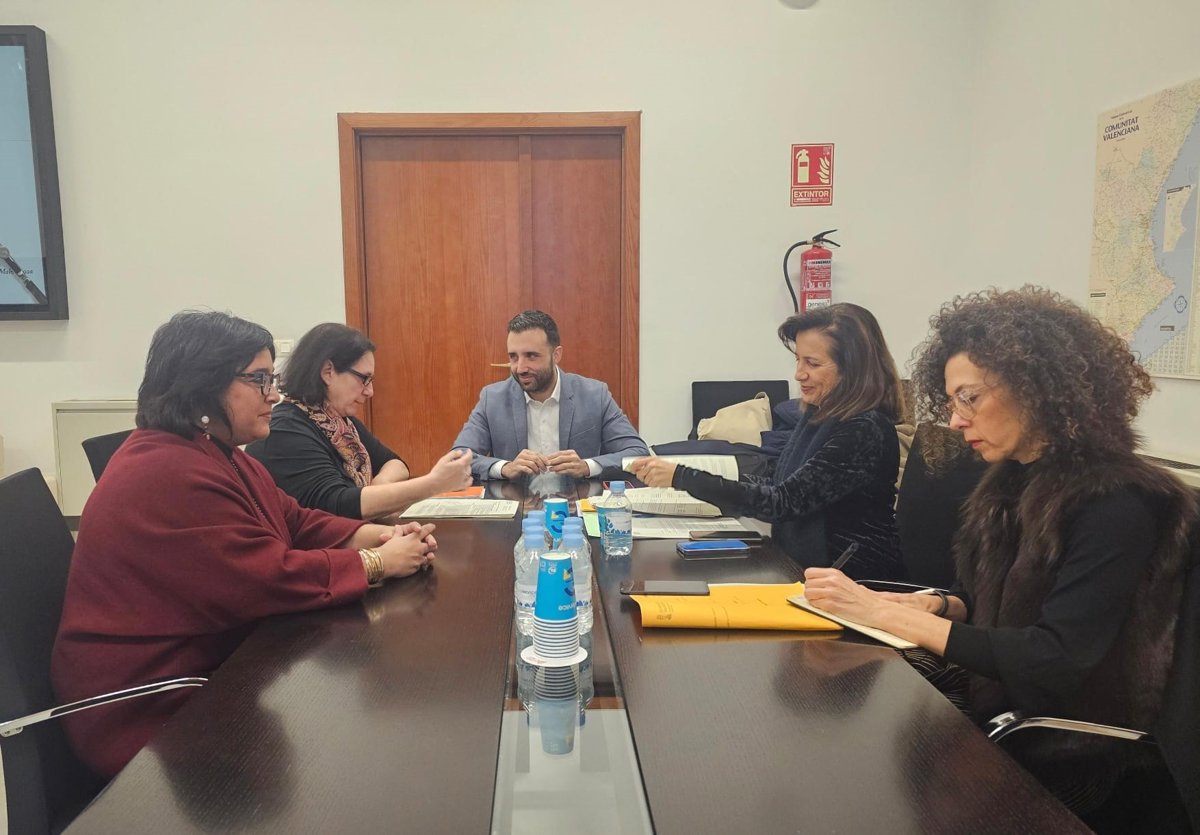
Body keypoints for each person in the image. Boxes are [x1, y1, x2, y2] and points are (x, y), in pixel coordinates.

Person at [801, 287, 1196, 812]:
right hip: (1003, 707)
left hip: (1071, 750)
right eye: (952, 402)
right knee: (834, 742)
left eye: (970, 398)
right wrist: (939, 604)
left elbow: (1053, 659)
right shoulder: (1013, 480)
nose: (955, 420)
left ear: (1036, 390)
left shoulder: (1117, 503)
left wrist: (888, 616)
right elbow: (1001, 598)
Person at [51, 311, 441, 779]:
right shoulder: (165, 470)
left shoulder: (218, 453)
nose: (273, 394)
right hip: (148, 708)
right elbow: (264, 578)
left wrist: (376, 535)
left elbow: (293, 519)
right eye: (259, 380)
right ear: (203, 384)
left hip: (212, 671)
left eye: (270, 378)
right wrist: (377, 562)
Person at [630, 303, 905, 581]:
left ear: (853, 370)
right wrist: (689, 477)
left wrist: (683, 477)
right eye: (798, 360)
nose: (799, 373)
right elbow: (778, 483)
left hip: (856, 581)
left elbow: (783, 503)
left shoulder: (864, 429)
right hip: (811, 570)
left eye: (812, 363)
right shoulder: (819, 415)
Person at [246, 323, 472, 519]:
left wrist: (379, 488)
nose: (370, 391)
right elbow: (338, 505)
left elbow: (395, 463)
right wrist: (433, 484)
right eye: (364, 379)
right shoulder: (285, 430)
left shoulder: (341, 423)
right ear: (328, 372)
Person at [452, 309, 649, 480]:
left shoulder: (594, 395)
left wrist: (586, 466)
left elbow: (638, 453)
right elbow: (458, 457)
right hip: (518, 505)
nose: (520, 368)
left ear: (556, 355)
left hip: (576, 504)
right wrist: (504, 468)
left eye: (531, 356)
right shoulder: (492, 399)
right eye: (513, 357)